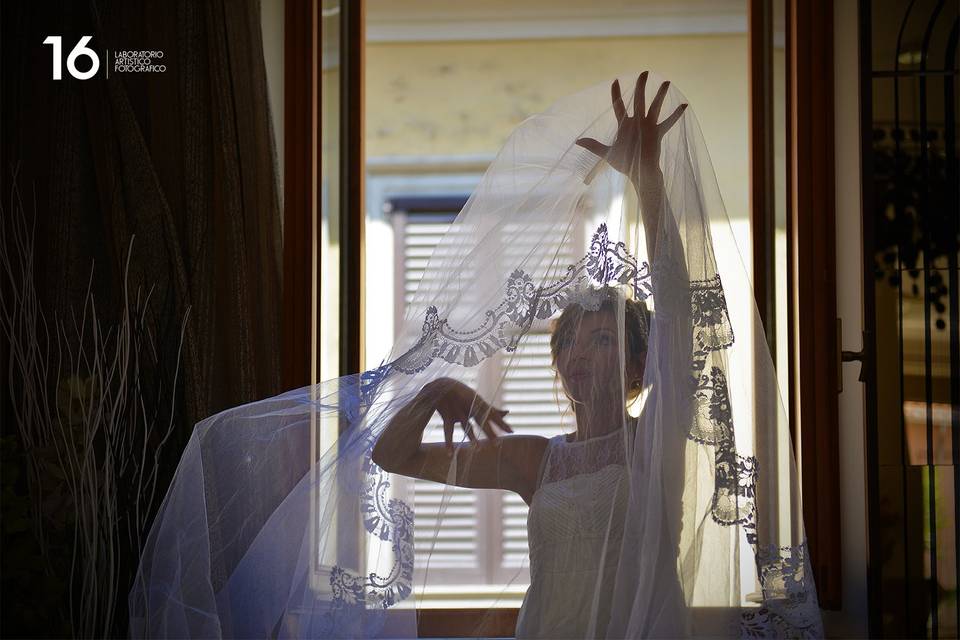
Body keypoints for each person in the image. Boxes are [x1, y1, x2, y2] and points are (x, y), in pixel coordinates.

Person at [130, 72, 823, 639]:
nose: (581, 352)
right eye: (570, 342)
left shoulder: (659, 445)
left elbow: (678, 312)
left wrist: (647, 181)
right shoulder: (534, 460)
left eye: (603, 337)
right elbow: (392, 457)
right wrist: (436, 394)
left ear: (642, 370)